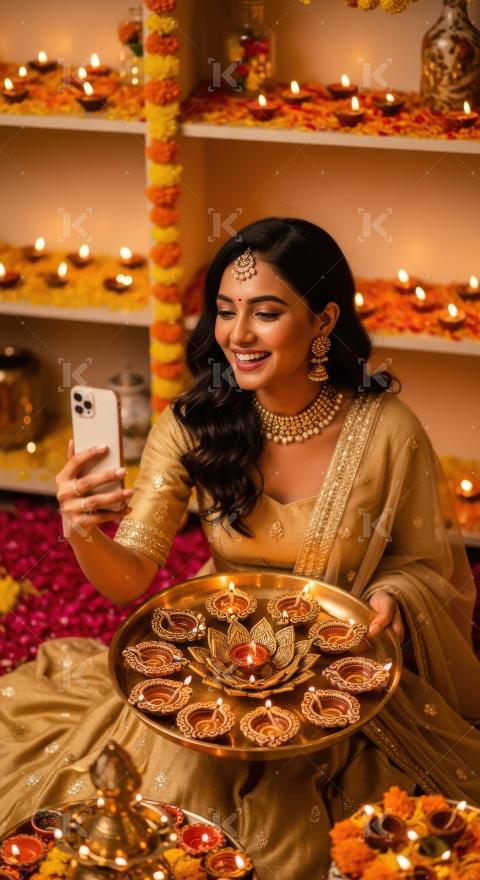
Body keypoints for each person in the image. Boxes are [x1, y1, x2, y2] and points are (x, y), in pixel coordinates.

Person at [1, 218, 479, 880]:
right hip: (208, 670)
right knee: (168, 820)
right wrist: (81, 531)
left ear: (322, 320)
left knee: (324, 847)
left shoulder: (388, 431)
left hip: (338, 682)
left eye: (267, 312)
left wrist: (393, 594)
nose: (238, 335)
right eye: (225, 312)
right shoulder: (194, 426)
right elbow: (130, 574)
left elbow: (424, 563)